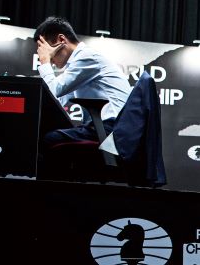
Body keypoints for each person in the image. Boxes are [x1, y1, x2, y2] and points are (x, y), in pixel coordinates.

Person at [34, 16, 132, 160]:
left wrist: (45, 62)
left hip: (111, 129)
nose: (50, 59)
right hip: (108, 127)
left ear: (61, 40)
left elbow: (54, 91)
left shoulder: (87, 57)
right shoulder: (78, 63)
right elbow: (57, 100)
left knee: (49, 139)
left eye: (47, 51)